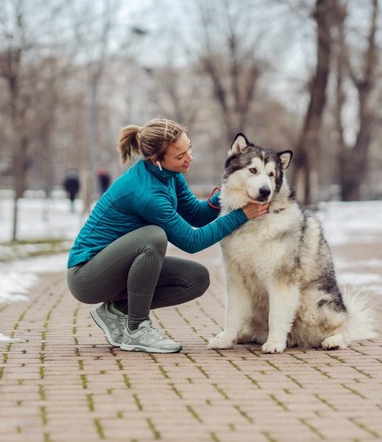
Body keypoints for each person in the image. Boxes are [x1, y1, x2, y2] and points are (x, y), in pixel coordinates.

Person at [66, 118, 269, 353]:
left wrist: (230, 194)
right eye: (180, 156)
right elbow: (192, 242)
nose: (189, 158)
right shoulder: (147, 193)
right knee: (153, 237)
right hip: (86, 276)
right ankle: (136, 329)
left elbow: (195, 214)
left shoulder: (169, 175)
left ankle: (117, 310)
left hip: (115, 267)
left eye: (189, 148)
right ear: (156, 160)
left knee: (196, 278)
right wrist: (241, 215)